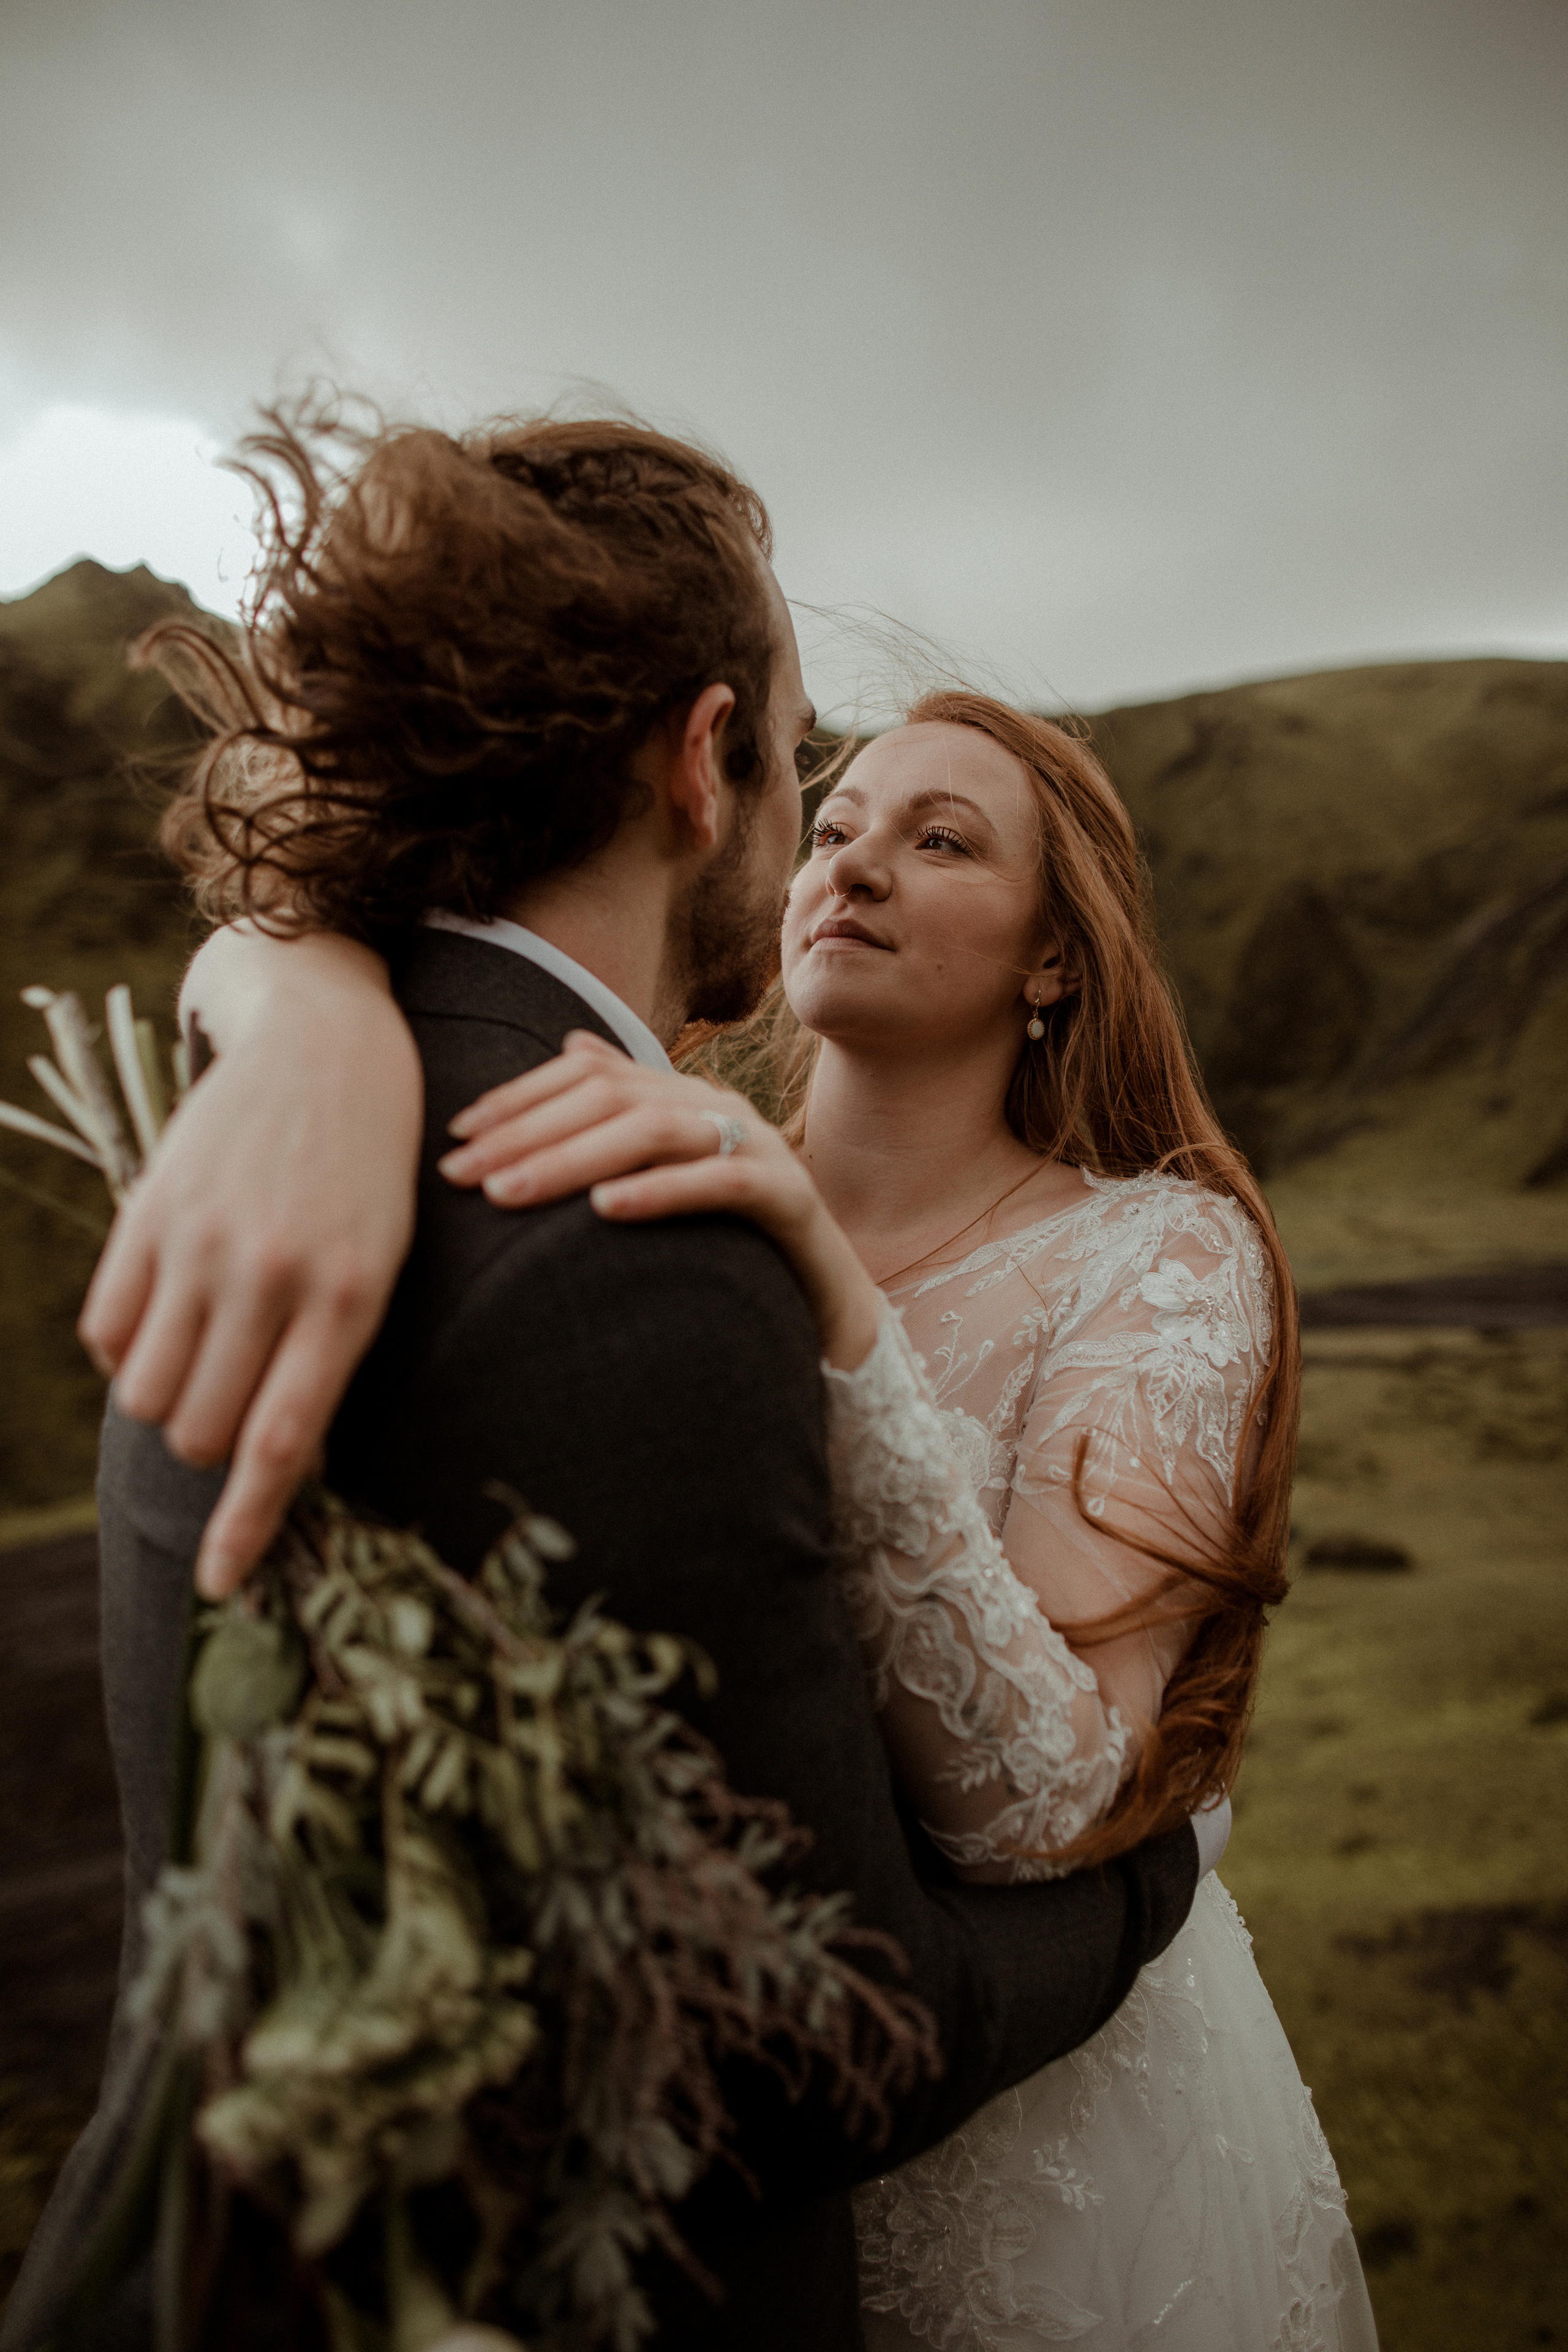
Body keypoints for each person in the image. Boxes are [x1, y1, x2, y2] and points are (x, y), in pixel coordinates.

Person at [2, 407, 1207, 2352]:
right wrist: (1144, 1893)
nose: (824, 835)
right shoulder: (632, 1239)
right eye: (804, 764)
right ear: (699, 756)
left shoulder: (278, 1097)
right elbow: (823, 2038)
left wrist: (281, 973)